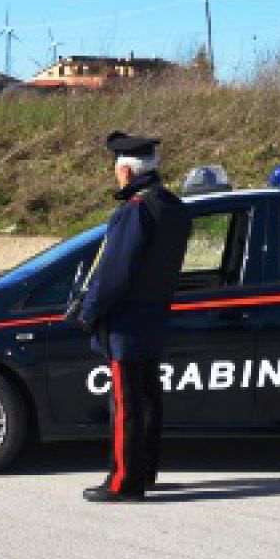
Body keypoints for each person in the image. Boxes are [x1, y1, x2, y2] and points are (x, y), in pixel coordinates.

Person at [72, 132, 190, 503]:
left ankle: (124, 481)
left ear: (125, 171)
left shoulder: (134, 211)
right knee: (148, 401)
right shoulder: (171, 206)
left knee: (125, 406)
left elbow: (114, 274)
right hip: (154, 318)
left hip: (125, 325)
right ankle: (146, 471)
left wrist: (88, 313)